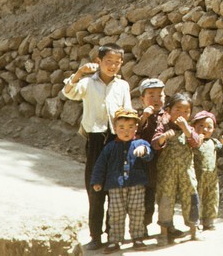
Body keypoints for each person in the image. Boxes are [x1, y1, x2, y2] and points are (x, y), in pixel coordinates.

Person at [62, 44, 131, 251]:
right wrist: (79, 72)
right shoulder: (87, 83)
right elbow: (69, 92)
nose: (112, 66)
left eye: (117, 63)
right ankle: (95, 235)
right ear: (98, 61)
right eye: (108, 62)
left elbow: (127, 110)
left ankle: (113, 235)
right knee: (95, 188)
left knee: (115, 189)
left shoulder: (122, 86)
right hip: (95, 140)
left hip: (116, 140)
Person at [90, 107, 155, 252]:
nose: (126, 131)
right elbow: (100, 165)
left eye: (130, 127)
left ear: (136, 128)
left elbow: (149, 153)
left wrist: (144, 151)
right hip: (115, 186)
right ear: (114, 128)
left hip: (136, 185)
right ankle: (114, 240)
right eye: (122, 127)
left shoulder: (140, 144)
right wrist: (97, 181)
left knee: (137, 211)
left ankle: (137, 237)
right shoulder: (110, 147)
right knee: (116, 213)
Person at [151, 91, 202, 242]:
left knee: (191, 197)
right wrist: (163, 137)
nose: (182, 113)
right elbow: (155, 144)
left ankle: (194, 229)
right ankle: (164, 233)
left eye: (186, 111)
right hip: (167, 173)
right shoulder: (163, 127)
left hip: (187, 171)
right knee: (166, 199)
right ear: (168, 111)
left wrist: (186, 129)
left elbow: (196, 143)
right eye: (178, 109)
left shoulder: (189, 129)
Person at [190, 110, 223, 232]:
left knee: (211, 199)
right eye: (201, 126)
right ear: (194, 127)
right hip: (198, 177)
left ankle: (209, 221)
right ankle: (196, 221)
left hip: (212, 178)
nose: (205, 129)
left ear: (213, 130)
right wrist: (197, 142)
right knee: (197, 199)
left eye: (209, 127)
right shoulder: (193, 143)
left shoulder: (214, 142)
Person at [134, 77, 166, 227]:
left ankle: (166, 226)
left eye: (160, 95)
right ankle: (143, 226)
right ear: (142, 99)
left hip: (165, 162)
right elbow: (135, 132)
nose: (156, 99)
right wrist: (144, 117)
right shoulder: (139, 117)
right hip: (146, 164)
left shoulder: (167, 116)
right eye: (151, 95)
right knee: (147, 196)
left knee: (166, 195)